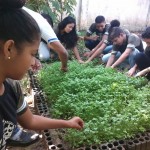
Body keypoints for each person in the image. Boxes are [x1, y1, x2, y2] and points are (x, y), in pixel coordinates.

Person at [0, 0, 84, 149]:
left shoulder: (12, 87)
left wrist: (67, 123)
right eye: (33, 54)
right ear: (9, 49)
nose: (34, 62)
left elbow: (30, 121)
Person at [22, 6, 68, 72]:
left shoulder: (25, 14)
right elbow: (63, 52)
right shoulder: (42, 24)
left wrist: (32, 58)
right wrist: (64, 67)